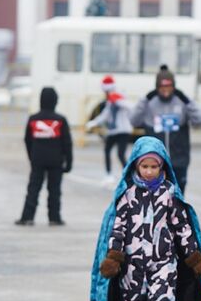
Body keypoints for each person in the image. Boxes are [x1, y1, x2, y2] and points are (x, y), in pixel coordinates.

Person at [90, 137, 201, 301]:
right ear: (136, 166)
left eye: (154, 167)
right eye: (144, 166)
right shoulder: (127, 195)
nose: (149, 171)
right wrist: (113, 256)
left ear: (162, 167)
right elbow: (118, 228)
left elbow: (182, 227)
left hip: (164, 263)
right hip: (132, 266)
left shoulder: (170, 194)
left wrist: (193, 256)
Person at [130, 65, 201, 193]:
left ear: (173, 87)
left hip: (179, 160)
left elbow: (200, 119)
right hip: (155, 163)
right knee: (155, 200)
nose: (165, 90)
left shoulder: (181, 102)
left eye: (169, 87)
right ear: (157, 87)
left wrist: (187, 101)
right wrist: (145, 99)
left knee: (177, 199)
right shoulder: (150, 103)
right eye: (162, 87)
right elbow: (133, 120)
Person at [15, 87, 72, 226]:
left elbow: (27, 140)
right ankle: (54, 218)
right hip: (56, 161)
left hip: (38, 160)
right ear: (55, 101)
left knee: (33, 189)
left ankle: (27, 217)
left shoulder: (33, 119)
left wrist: (32, 157)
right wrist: (69, 162)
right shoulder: (60, 120)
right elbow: (67, 143)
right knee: (54, 191)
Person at [85, 75, 134, 183]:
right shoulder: (109, 101)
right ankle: (108, 175)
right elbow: (105, 115)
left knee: (120, 154)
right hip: (112, 131)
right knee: (107, 150)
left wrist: (119, 101)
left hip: (123, 130)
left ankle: (129, 176)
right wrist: (93, 122)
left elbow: (131, 107)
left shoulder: (120, 97)